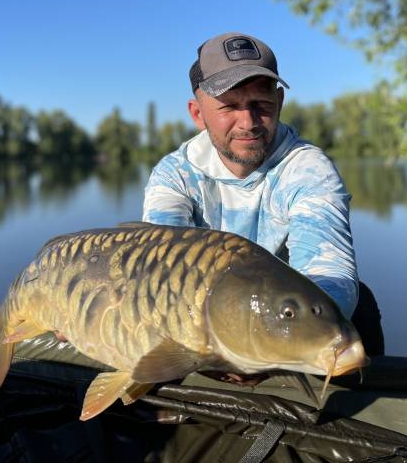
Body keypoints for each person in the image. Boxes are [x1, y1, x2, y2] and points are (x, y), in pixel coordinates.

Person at [142, 31, 384, 356]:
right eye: (229, 106)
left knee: (359, 303)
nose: (248, 122)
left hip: (281, 321)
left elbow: (330, 273)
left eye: (261, 104)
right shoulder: (174, 176)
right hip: (204, 325)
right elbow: (161, 275)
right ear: (198, 114)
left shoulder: (308, 169)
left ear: (280, 102)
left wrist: (268, 347)